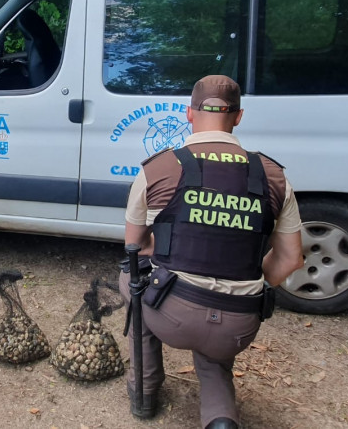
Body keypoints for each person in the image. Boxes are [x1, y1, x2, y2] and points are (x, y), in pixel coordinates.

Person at [120, 75, 303, 428]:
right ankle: (220, 420)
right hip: (238, 324)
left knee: (131, 278)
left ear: (190, 114)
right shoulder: (274, 176)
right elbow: (291, 259)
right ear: (238, 117)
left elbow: (135, 246)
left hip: (172, 316)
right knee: (214, 356)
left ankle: (144, 392)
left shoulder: (158, 168)